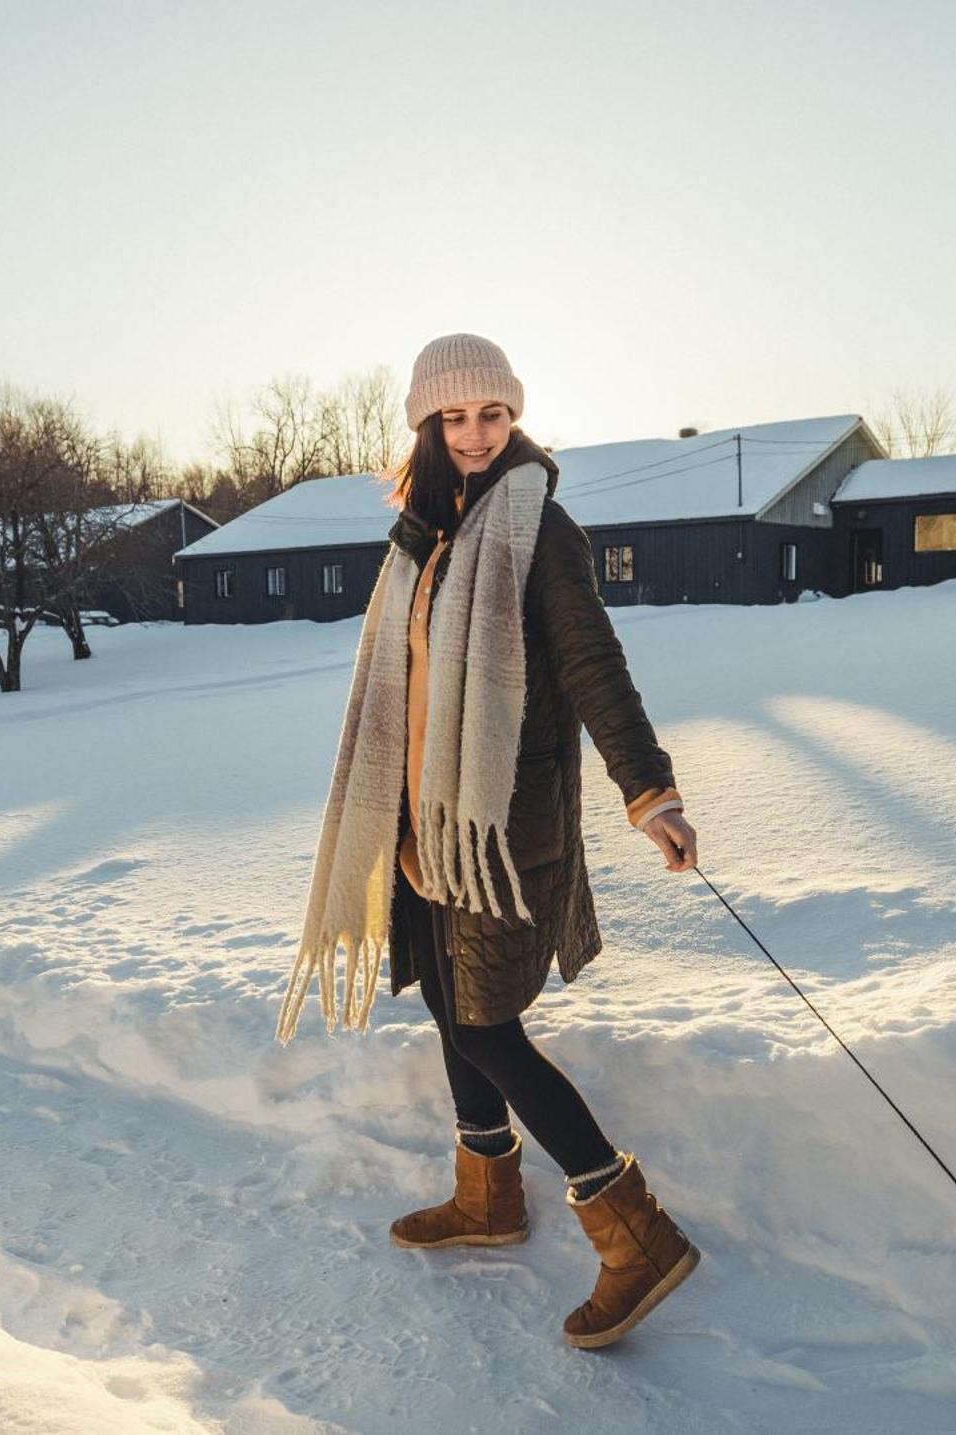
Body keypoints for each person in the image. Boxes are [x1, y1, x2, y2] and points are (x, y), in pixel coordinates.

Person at [278, 333, 702, 1349]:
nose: (475, 434)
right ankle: (485, 1196)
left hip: (502, 830)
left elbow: (595, 663)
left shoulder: (538, 529)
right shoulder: (423, 532)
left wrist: (650, 795)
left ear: (514, 419)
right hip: (423, 822)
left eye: (493, 415)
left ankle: (631, 1228)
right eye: (455, 417)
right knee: (446, 1002)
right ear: (426, 424)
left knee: (484, 1024)